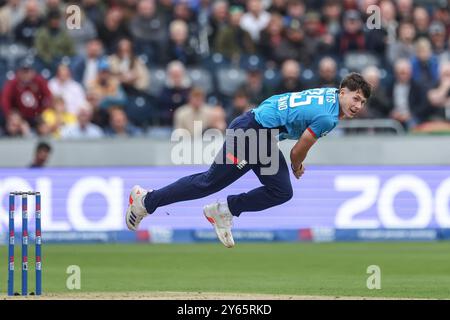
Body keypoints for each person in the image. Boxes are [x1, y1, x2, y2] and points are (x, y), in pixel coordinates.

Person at [125, 73, 371, 248]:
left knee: (278, 190)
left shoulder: (328, 94)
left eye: (362, 102)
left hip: (259, 129)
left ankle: (223, 210)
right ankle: (147, 200)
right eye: (355, 98)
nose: (358, 106)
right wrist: (297, 166)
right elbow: (298, 151)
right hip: (253, 132)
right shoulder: (329, 118)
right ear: (342, 92)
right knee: (210, 183)